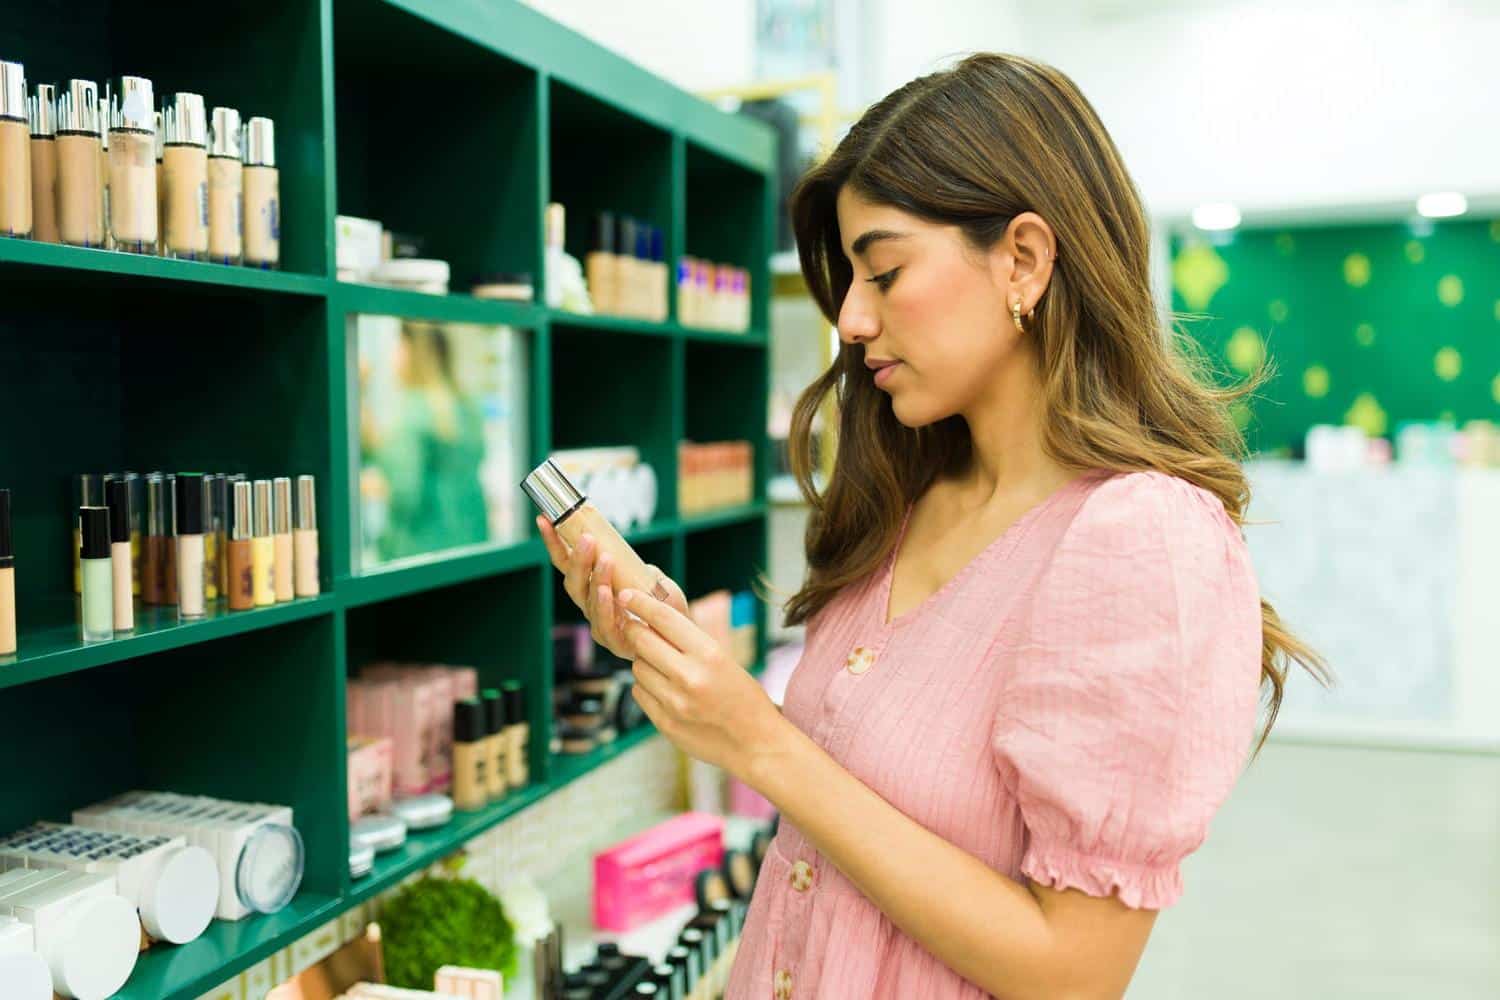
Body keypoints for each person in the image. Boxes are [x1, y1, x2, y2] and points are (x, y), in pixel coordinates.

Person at [542, 53, 1324, 999]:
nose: (855, 320)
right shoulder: (909, 500)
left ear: (1023, 261)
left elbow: (1073, 972)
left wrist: (759, 743)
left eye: (885, 270)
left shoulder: (1139, 537)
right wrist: (679, 656)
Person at [366, 322, 489, 562]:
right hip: (471, 547)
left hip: (418, 556)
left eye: (397, 346)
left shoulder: (412, 413)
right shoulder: (468, 408)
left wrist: (374, 485)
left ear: (411, 352)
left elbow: (405, 495)